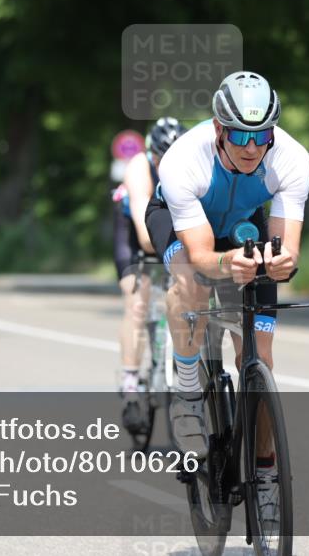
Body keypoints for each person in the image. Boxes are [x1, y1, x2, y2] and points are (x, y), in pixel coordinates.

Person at [145, 71, 309, 528]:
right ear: (219, 128)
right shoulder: (184, 160)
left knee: (260, 360)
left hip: (243, 224)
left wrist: (282, 264)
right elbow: (201, 255)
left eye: (262, 135)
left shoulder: (292, 159)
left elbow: (287, 248)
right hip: (182, 225)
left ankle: (266, 475)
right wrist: (227, 264)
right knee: (191, 282)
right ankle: (187, 391)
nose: (252, 147)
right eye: (240, 135)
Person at [112, 118, 186, 419]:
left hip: (171, 235)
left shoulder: (193, 165)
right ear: (151, 153)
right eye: (161, 157)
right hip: (135, 237)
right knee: (138, 301)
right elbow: (146, 236)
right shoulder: (139, 167)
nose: (167, 164)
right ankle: (130, 383)